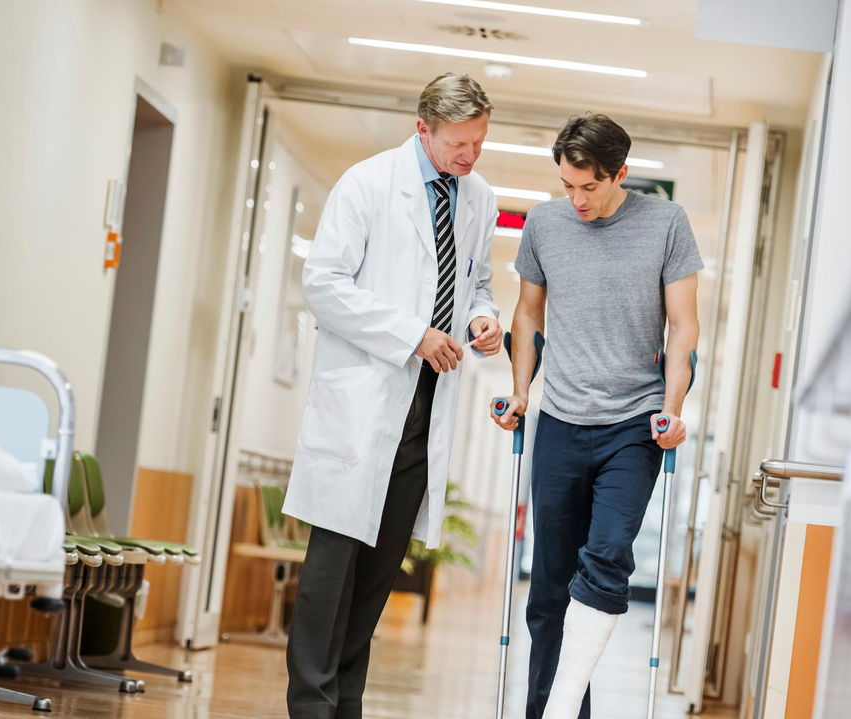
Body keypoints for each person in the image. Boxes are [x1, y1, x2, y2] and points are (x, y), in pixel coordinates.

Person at [283, 72, 504, 719]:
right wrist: (414, 335)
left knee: (377, 576)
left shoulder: (480, 198)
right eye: (459, 144)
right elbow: (322, 284)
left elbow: (478, 282)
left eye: (479, 143)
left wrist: (481, 320)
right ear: (422, 128)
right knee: (330, 576)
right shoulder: (367, 184)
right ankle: (310, 706)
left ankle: (344, 704)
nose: (469, 156)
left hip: (424, 410)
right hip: (362, 407)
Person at [491, 113, 702, 719]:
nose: (577, 199)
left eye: (590, 186)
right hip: (559, 420)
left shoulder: (666, 223)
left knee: (607, 554)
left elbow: (684, 324)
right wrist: (521, 391)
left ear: (621, 174)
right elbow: (528, 315)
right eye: (568, 186)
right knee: (549, 592)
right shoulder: (544, 222)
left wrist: (672, 407)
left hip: (633, 424)